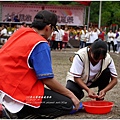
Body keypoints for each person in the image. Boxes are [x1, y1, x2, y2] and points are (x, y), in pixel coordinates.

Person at [0, 10, 80, 119]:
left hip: (3, 87)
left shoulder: (20, 32)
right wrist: (71, 95)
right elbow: (47, 79)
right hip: (18, 93)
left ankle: (10, 109)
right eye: (52, 30)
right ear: (48, 28)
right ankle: (20, 113)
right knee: (66, 103)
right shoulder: (40, 43)